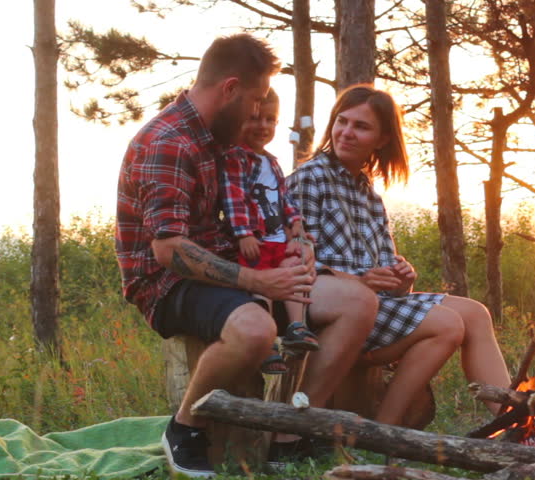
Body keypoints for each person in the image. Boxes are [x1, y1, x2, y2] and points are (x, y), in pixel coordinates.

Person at [116, 35, 377, 477]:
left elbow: (262, 205)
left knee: (359, 301)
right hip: (167, 283)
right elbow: (167, 250)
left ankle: (291, 430)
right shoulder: (169, 141)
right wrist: (258, 282)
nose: (257, 114)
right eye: (255, 101)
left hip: (229, 265)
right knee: (255, 329)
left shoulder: (217, 134)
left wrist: (300, 245)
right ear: (230, 89)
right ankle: (185, 426)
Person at [286, 84, 512, 428]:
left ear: (381, 139)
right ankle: (386, 431)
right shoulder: (309, 179)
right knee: (447, 324)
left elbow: (386, 284)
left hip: (373, 306)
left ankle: (516, 423)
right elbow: (296, 263)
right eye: (342, 121)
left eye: (361, 126)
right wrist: (360, 281)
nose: (346, 132)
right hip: (329, 312)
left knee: (476, 313)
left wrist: (401, 280)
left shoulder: (370, 197)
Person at [221, 87, 319, 375]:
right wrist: (243, 233)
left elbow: (283, 198)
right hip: (256, 241)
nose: (262, 126)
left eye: (270, 120)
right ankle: (265, 344)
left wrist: (296, 223)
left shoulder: (271, 163)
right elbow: (233, 197)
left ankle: (297, 327)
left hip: (278, 239)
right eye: (254, 118)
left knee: (297, 271)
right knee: (259, 288)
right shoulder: (236, 158)